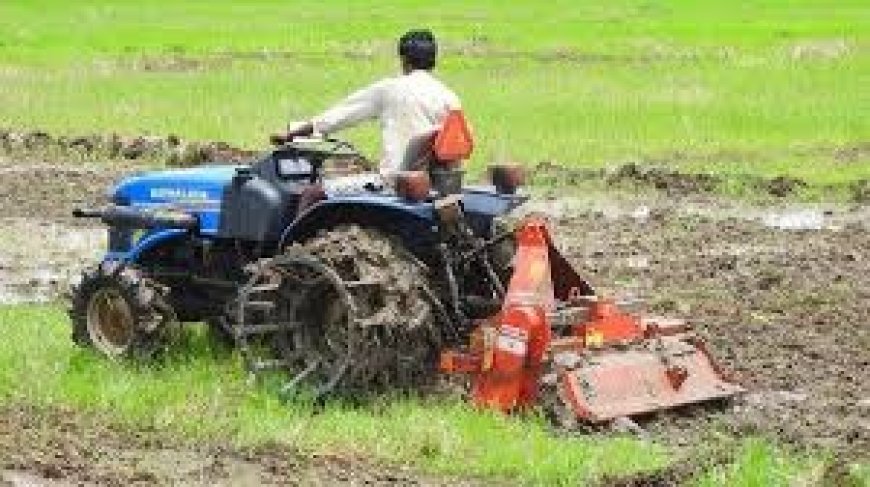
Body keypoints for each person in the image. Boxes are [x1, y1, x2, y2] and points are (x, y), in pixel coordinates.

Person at [272, 29, 461, 185]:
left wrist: (293, 133)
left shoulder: (390, 89)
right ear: (433, 60)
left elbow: (339, 116)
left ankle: (298, 233)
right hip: (433, 184)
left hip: (393, 182)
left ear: (404, 59)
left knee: (314, 192)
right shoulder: (450, 97)